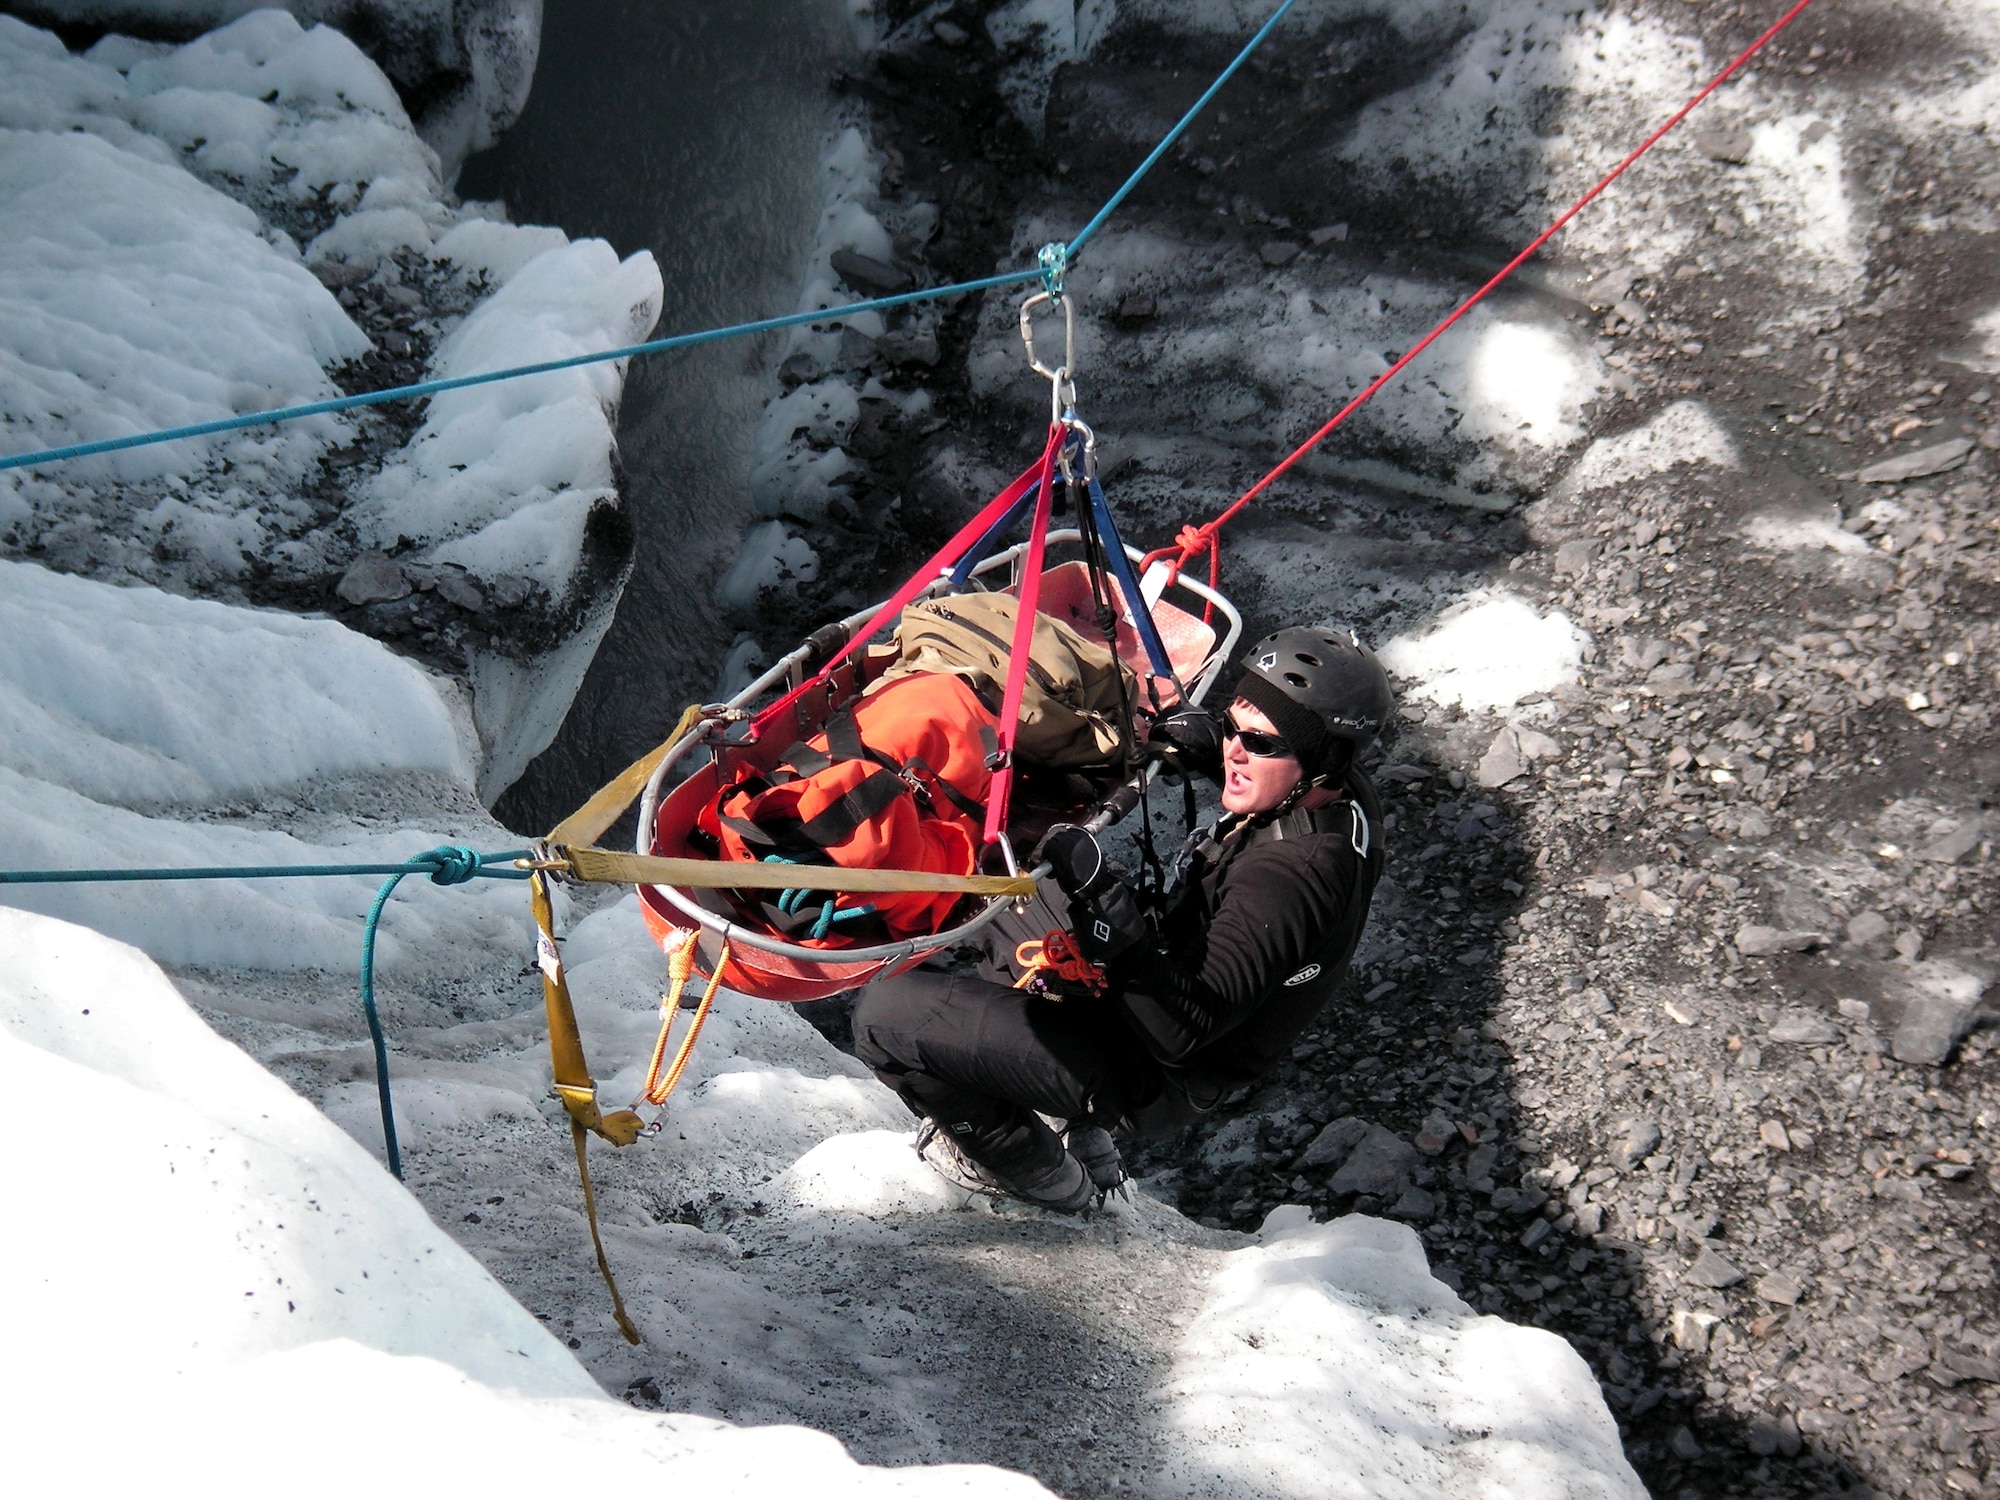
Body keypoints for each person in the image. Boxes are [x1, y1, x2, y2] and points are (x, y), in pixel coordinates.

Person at [851, 625, 1391, 1211]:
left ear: (1321, 762)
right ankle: (1072, 1122)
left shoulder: (1289, 878)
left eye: (1258, 744)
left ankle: (1042, 1175)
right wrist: (1212, 750)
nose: (1236, 749)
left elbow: (1185, 1028)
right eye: (1233, 727)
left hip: (1158, 1068)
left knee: (884, 1019)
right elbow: (1265, 761)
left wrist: (1104, 909)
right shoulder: (1343, 798)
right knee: (1006, 896)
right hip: (1162, 1005)